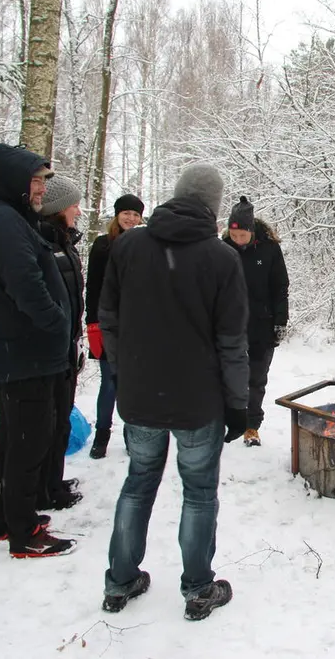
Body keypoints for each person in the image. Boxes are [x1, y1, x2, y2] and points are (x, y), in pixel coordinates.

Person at [99, 164, 249, 621]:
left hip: (141, 395)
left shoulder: (128, 246)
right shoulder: (221, 259)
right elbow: (232, 341)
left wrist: (127, 374)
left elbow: (111, 319)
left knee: (138, 484)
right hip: (196, 400)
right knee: (199, 493)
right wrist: (238, 403)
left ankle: (120, 581)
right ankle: (198, 588)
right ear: (214, 206)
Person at [0, 143, 77, 558]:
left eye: (42, 183)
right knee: (28, 442)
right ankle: (24, 532)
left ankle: (5, 519)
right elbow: (26, 285)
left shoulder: (7, 218)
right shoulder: (4, 222)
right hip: (25, 354)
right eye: (35, 182)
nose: (39, 191)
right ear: (16, 183)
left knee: (13, 438)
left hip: (20, 351)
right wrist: (57, 323)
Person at [37, 175, 86, 510]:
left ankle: (53, 482)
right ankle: (42, 489)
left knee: (61, 421)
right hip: (50, 350)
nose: (79, 211)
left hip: (67, 345)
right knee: (47, 425)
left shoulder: (64, 243)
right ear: (58, 209)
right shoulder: (44, 245)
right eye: (73, 205)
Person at [223, 196, 289, 447]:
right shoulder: (223, 247)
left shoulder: (270, 249)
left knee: (256, 377)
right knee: (228, 375)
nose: (238, 241)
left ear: (251, 231)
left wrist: (280, 321)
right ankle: (229, 420)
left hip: (262, 323)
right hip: (230, 323)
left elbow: (280, 287)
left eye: (242, 236)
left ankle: (252, 426)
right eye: (233, 235)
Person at [85, 194, 145, 458]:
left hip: (137, 327)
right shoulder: (102, 245)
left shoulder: (146, 246)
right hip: (108, 325)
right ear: (117, 215)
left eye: (135, 214)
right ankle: (102, 435)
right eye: (126, 213)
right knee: (109, 383)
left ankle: (131, 436)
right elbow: (93, 287)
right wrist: (92, 323)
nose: (130, 218)